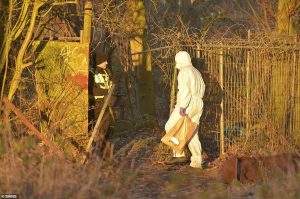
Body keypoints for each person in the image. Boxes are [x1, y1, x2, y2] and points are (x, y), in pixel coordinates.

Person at [165, 51, 205, 168]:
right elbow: (202, 89)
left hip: (188, 103)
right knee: (192, 131)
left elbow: (184, 91)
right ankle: (197, 161)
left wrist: (181, 106)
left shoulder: (184, 72)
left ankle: (179, 154)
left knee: (170, 126)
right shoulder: (196, 71)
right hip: (199, 103)